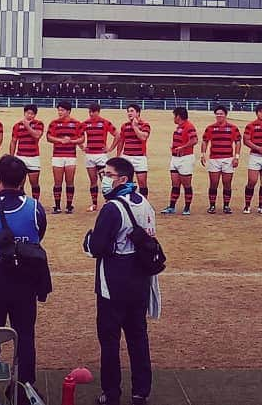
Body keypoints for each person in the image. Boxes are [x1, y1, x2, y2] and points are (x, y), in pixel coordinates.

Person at [0, 156, 48, 405]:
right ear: (24, 179)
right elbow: (39, 235)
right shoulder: (35, 208)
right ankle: (25, 389)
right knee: (25, 337)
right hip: (24, 285)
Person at [83, 157, 156, 405]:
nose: (104, 178)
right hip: (140, 281)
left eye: (108, 174)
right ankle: (140, 392)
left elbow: (97, 247)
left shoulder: (112, 208)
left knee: (110, 340)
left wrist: (88, 241)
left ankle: (111, 393)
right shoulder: (145, 203)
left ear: (122, 179)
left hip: (113, 283)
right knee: (138, 337)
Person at [200, 106, 241, 214]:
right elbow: (205, 141)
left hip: (228, 159)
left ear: (226, 115)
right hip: (214, 159)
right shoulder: (210, 128)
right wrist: (203, 154)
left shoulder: (233, 128)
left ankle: (226, 206)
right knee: (213, 183)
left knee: (227, 183)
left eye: (221, 114)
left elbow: (237, 142)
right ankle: (212, 205)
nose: (219, 116)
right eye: (217, 114)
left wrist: (236, 157)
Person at [47, 100, 84, 214]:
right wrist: (61, 140)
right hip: (57, 156)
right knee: (57, 182)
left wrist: (71, 141)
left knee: (70, 181)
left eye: (62, 110)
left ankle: (69, 206)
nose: (59, 112)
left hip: (70, 156)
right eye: (58, 110)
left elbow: (82, 139)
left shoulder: (77, 124)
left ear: (68, 111)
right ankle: (57, 206)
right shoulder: (53, 123)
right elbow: (48, 137)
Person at [82, 103, 118, 211]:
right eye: (89, 112)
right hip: (89, 156)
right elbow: (77, 135)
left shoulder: (105, 122)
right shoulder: (85, 123)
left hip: (101, 156)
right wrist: (82, 146)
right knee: (93, 180)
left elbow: (117, 134)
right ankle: (94, 204)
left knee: (105, 180)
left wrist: (110, 148)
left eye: (93, 112)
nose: (91, 114)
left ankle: (109, 202)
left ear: (98, 112)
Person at [162, 108, 197, 215]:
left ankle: (187, 207)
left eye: (174, 116)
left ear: (178, 116)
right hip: (175, 158)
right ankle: (172, 206)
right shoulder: (178, 127)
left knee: (186, 184)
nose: (173, 118)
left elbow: (194, 140)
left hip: (185, 158)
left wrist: (182, 147)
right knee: (175, 184)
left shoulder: (189, 126)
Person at [10, 105, 45, 200]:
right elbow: (13, 141)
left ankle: (35, 203)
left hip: (33, 157)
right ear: (24, 113)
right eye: (27, 113)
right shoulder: (17, 126)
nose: (29, 115)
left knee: (34, 183)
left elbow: (37, 136)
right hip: (20, 157)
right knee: (19, 182)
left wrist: (27, 126)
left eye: (32, 114)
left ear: (35, 115)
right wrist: (12, 157)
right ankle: (20, 202)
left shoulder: (39, 124)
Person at [116, 104, 152, 198]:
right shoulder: (124, 126)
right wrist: (118, 156)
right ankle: (128, 202)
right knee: (126, 182)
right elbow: (121, 142)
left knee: (142, 182)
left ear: (138, 113)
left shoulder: (145, 125)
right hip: (127, 157)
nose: (129, 113)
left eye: (132, 111)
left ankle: (144, 204)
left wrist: (135, 127)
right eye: (128, 111)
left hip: (140, 157)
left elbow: (143, 137)